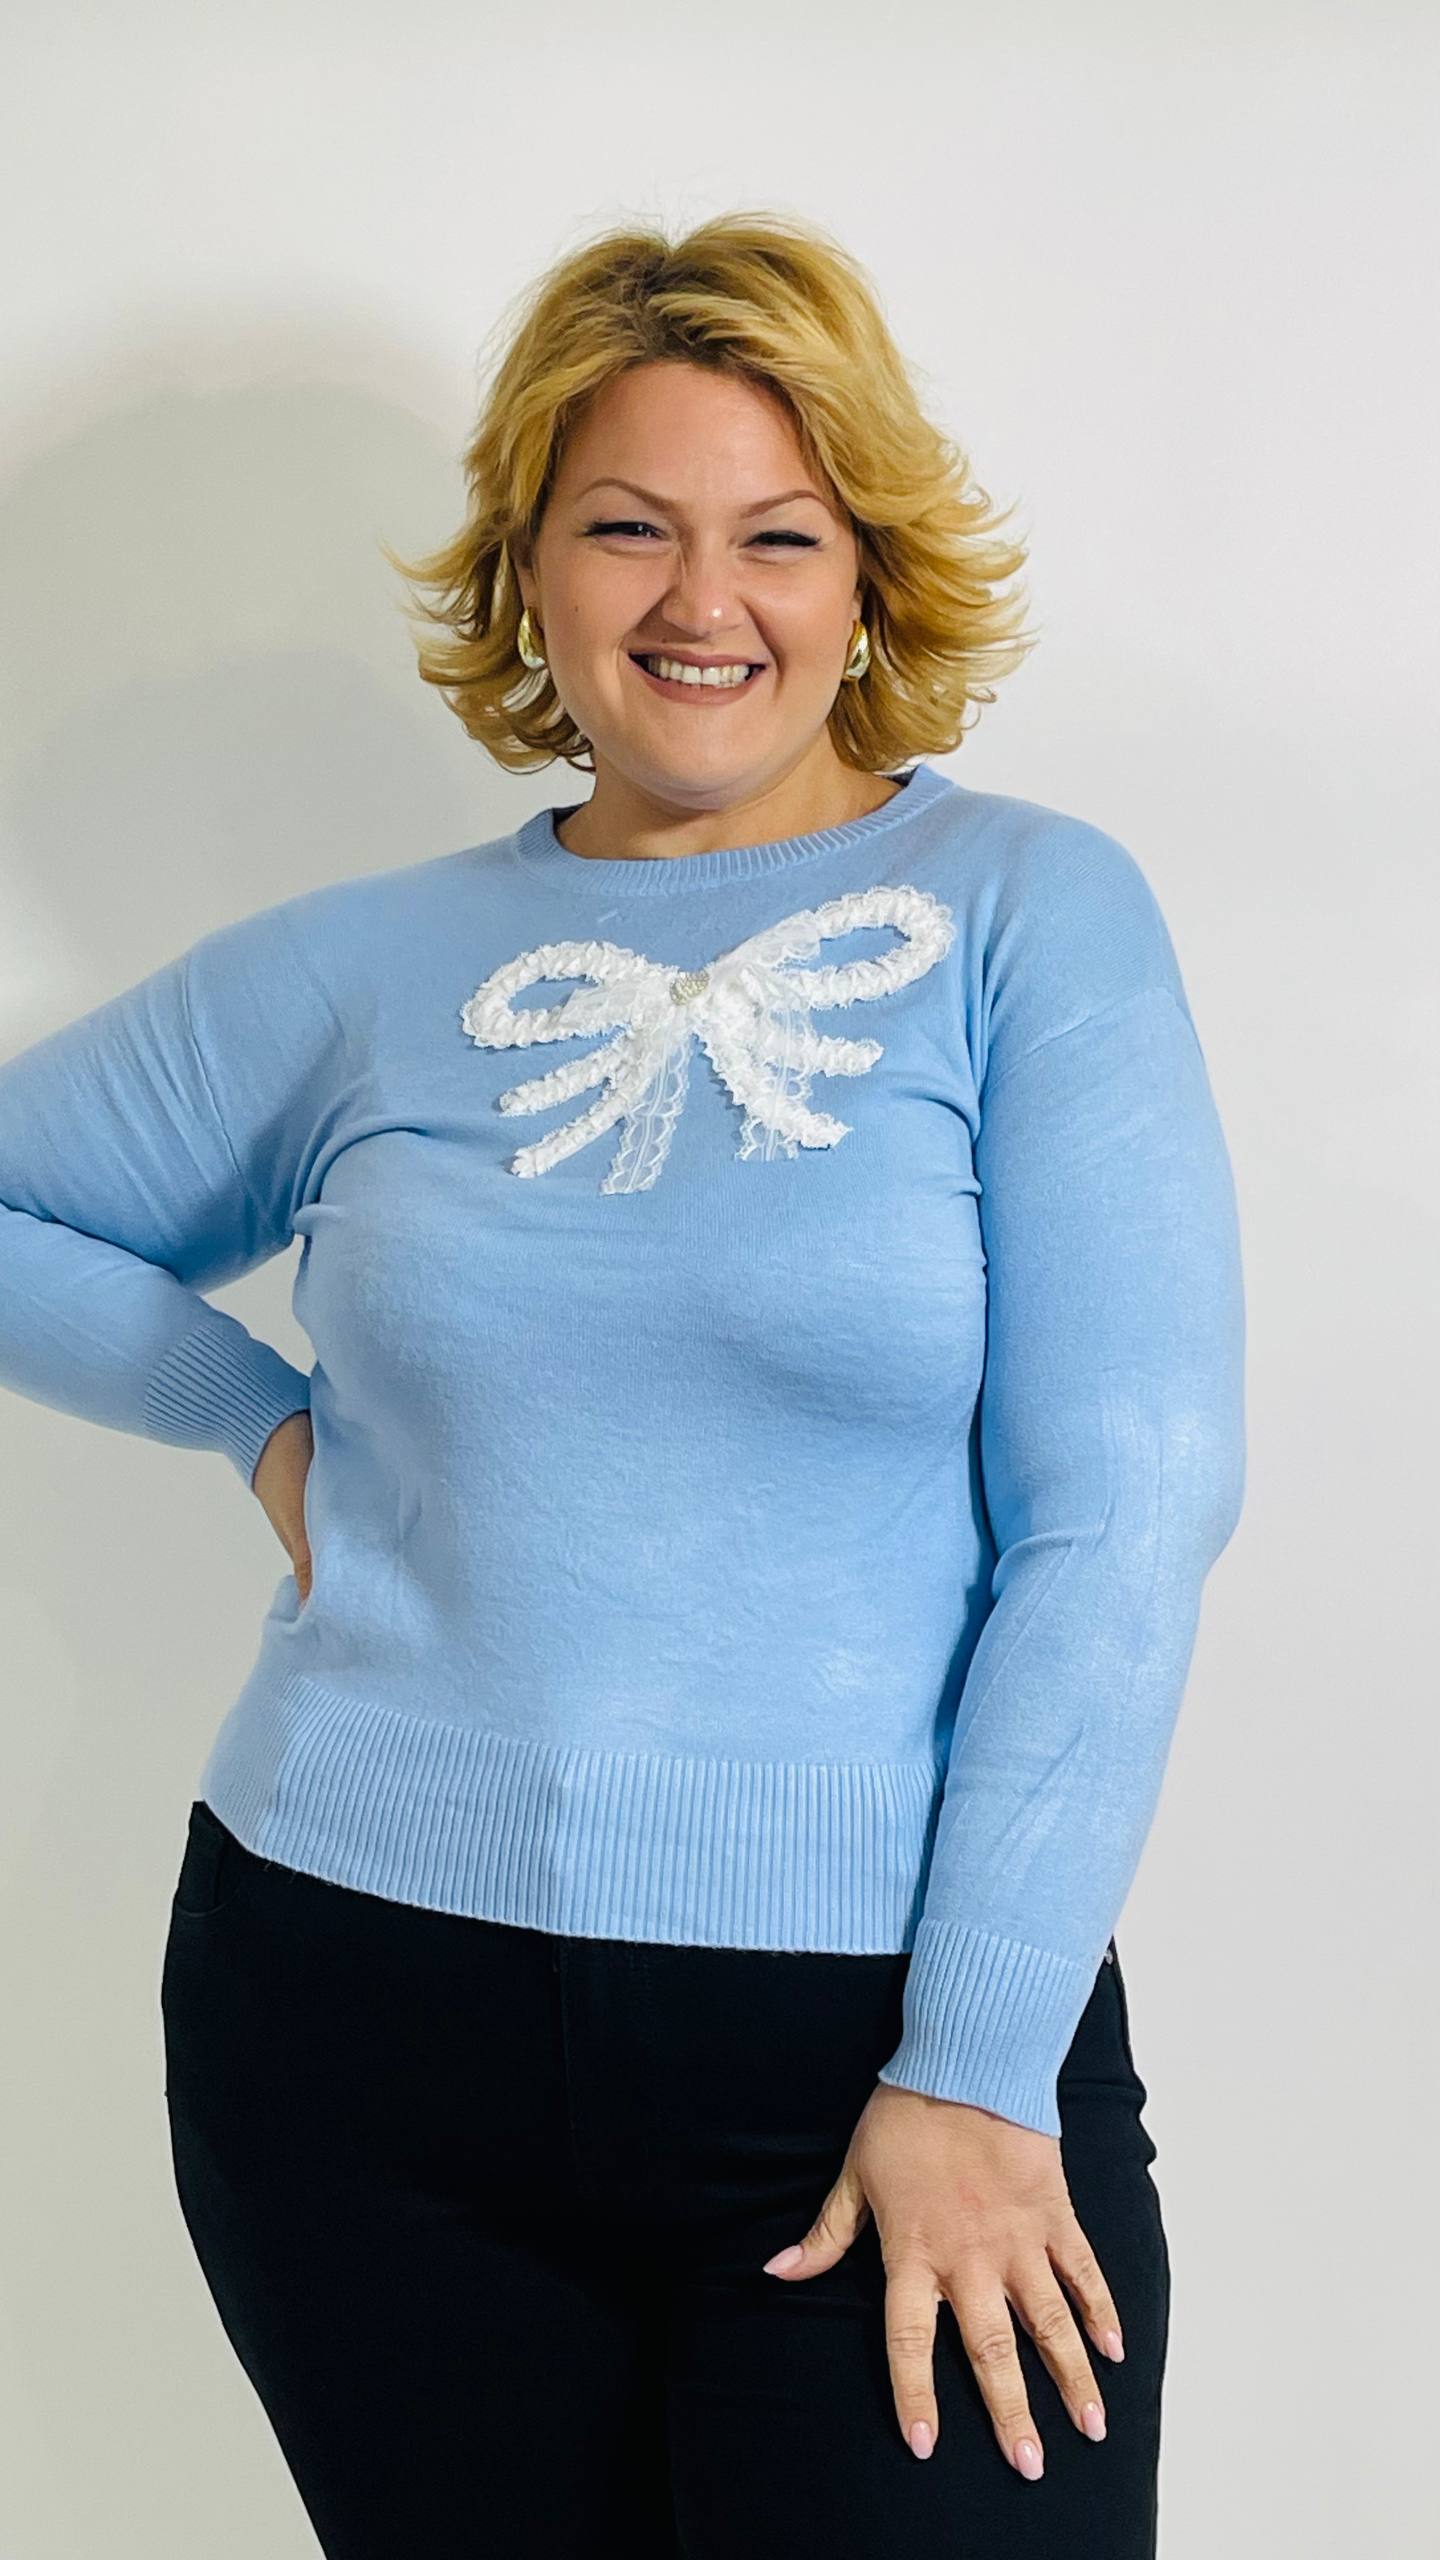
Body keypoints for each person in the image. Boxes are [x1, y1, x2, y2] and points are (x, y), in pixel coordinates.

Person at [0, 210, 1245, 2557]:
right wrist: (254, 1417)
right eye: (627, 527)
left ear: (868, 571)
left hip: (881, 2054)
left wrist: (981, 2066)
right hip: (357, 2033)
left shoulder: (1026, 914)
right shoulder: (371, 964)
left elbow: (1130, 1501)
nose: (703, 600)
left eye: (777, 532)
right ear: (531, 573)